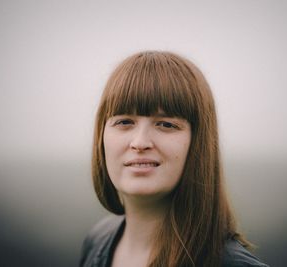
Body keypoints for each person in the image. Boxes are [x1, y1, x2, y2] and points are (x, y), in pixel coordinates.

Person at [80, 51, 269, 267]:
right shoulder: (96, 241)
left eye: (166, 124)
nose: (140, 142)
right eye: (124, 122)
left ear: (198, 143)